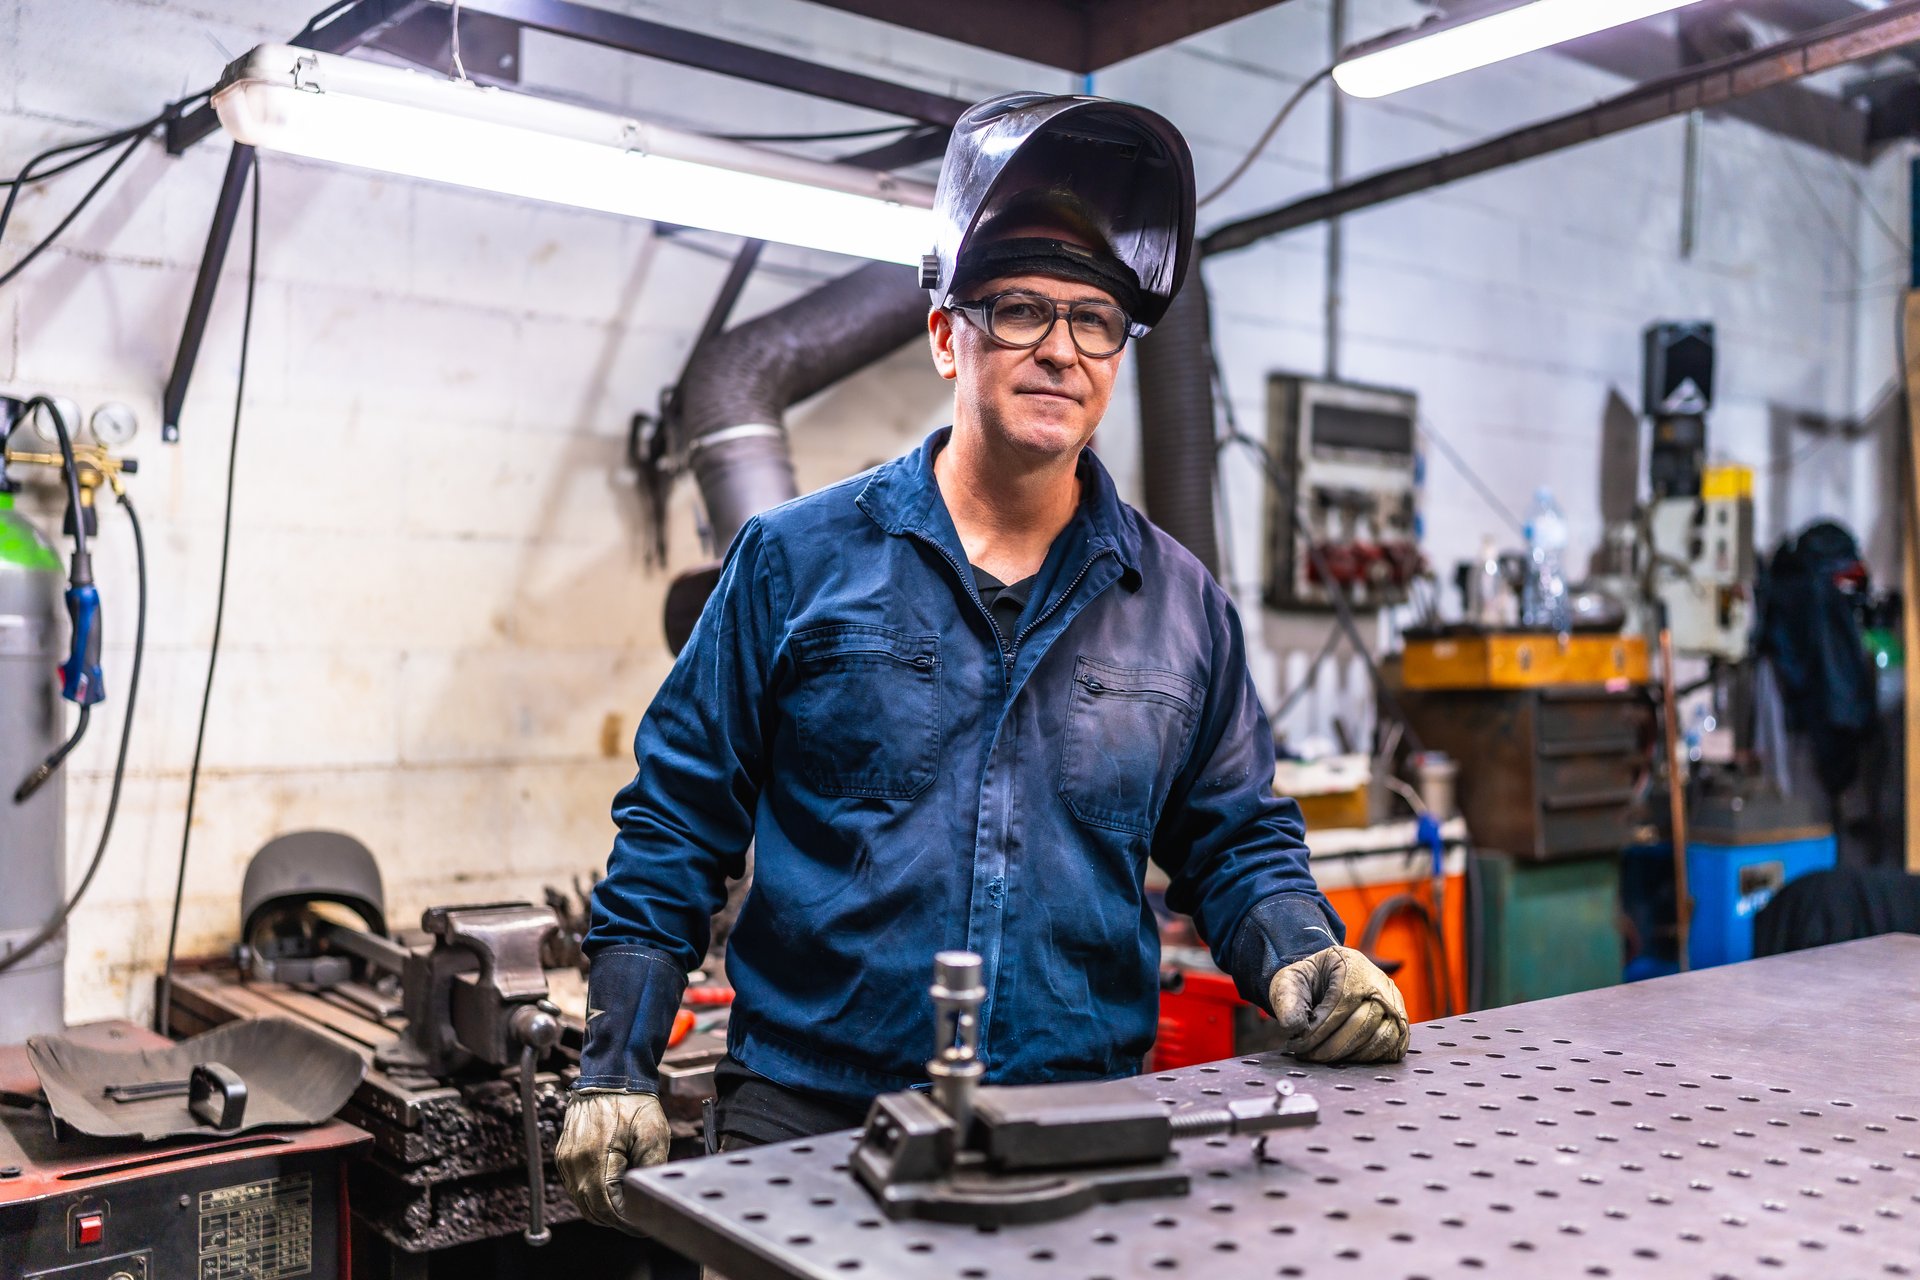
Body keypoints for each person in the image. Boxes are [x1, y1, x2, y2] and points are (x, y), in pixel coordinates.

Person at [556, 91, 1409, 1233]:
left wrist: (1301, 949)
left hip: (1080, 1126)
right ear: (948, 333)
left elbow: (1235, 837)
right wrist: (616, 1062)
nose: (1061, 346)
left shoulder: (1181, 606)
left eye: (1095, 319)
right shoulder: (792, 561)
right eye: (1020, 309)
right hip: (809, 1128)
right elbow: (676, 823)